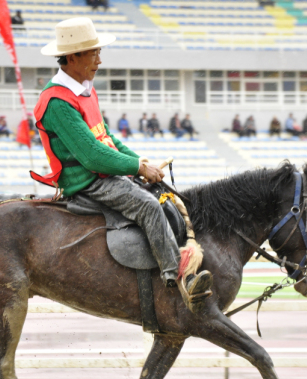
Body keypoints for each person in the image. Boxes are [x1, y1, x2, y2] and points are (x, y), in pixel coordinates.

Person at [33, 17, 212, 305]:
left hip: (100, 173)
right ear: (72, 57)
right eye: (94, 53)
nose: (99, 60)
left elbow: (107, 139)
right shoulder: (57, 102)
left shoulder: (84, 89)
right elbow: (92, 156)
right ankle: (179, 277)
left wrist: (137, 160)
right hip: (87, 182)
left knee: (158, 195)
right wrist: (139, 168)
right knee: (150, 206)